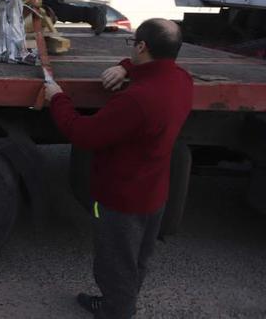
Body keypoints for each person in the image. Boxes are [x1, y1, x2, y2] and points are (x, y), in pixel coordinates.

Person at [44, 18, 193, 318]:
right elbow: (151, 68)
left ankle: (117, 310)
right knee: (136, 258)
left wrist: (57, 98)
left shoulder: (136, 100)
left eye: (133, 45)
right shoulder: (182, 81)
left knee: (115, 263)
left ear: (142, 46)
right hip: (154, 194)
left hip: (120, 199)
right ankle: (120, 302)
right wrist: (126, 66)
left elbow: (84, 134)